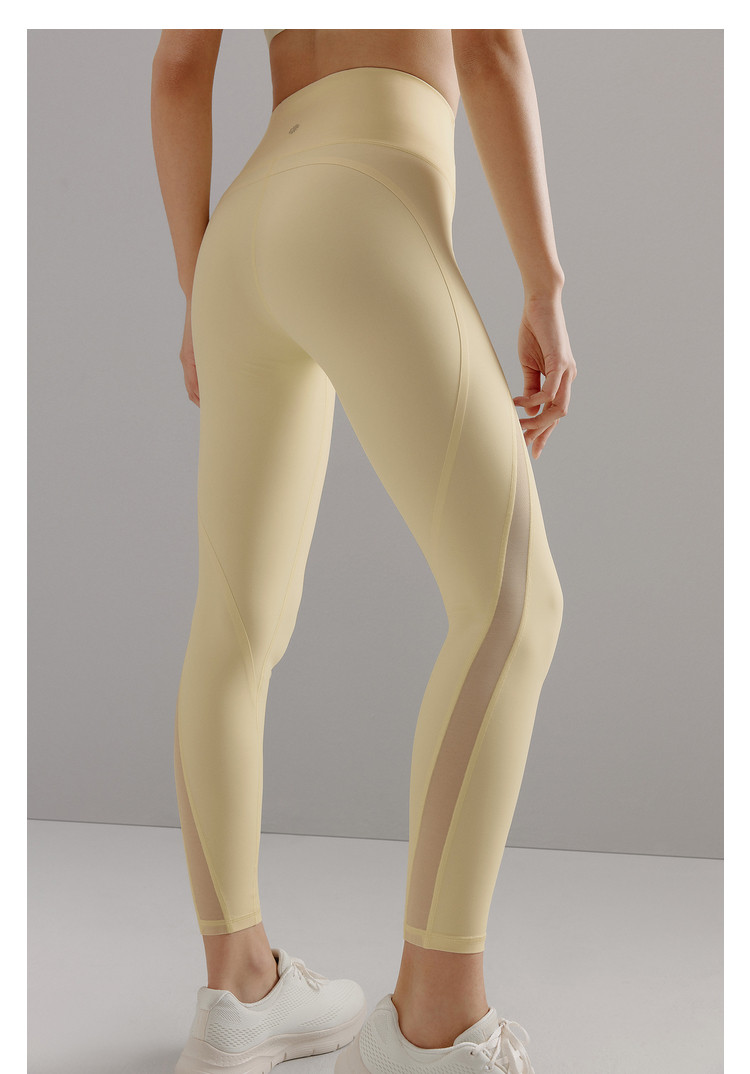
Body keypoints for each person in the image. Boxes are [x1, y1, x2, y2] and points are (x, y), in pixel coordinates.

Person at [151, 28, 577, 1074]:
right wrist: (544, 284)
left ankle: (239, 993)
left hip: (241, 232)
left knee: (233, 632)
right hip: (364, 195)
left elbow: (179, 68)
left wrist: (196, 288)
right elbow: (487, 48)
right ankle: (436, 1021)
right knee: (514, 603)